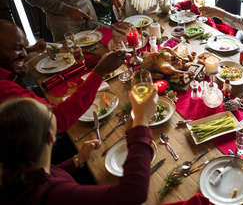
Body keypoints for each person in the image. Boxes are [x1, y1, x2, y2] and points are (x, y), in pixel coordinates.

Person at [0, 86, 157, 204]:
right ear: (50, 135)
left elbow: (51, 172)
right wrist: (141, 122)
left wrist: (77, 160)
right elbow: (133, 193)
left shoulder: (17, 172)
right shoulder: (51, 194)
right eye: (47, 110)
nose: (50, 106)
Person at [0, 20, 128, 132]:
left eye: (24, 48)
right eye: (17, 48)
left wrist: (19, 78)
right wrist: (99, 71)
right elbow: (59, 118)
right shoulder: (4, 90)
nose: (24, 54)